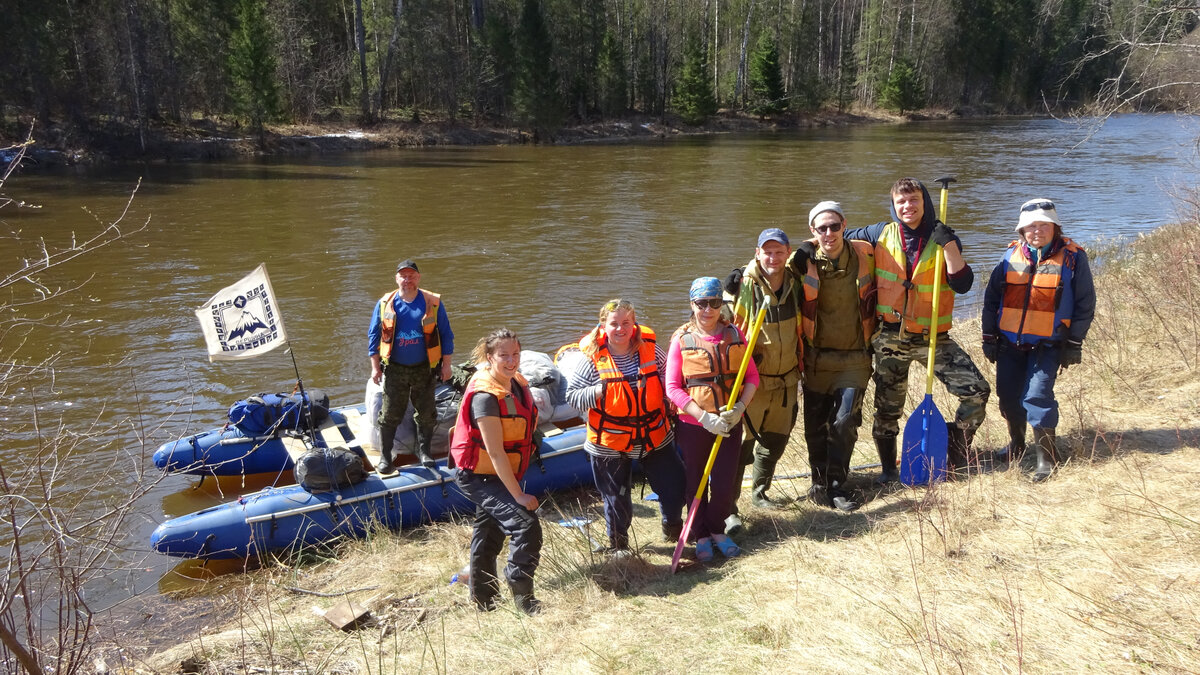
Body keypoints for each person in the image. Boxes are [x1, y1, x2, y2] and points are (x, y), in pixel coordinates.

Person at [841, 178, 991, 479]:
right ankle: (887, 470)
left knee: (977, 391)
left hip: (934, 337)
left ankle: (954, 448)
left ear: (924, 202)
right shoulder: (879, 233)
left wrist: (948, 245)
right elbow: (834, 239)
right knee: (887, 409)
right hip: (891, 337)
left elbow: (963, 285)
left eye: (914, 200)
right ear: (894, 205)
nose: (907, 207)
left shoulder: (944, 235)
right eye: (901, 202)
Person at [982, 199, 1095, 482]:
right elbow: (991, 299)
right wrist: (989, 337)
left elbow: (1084, 303)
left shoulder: (1073, 257)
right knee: (1008, 398)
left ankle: (1047, 458)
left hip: (1048, 345)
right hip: (1009, 343)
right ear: (1022, 230)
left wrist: (1074, 343)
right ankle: (1017, 445)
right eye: (1031, 226)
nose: (1037, 231)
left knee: (1037, 396)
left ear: (1055, 227)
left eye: (1044, 225)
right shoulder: (1010, 255)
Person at [565, 299, 686, 553]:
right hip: (610, 442)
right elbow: (572, 396)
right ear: (603, 326)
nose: (620, 329)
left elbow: (668, 376)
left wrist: (672, 398)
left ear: (634, 324)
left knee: (674, 486)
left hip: (654, 433)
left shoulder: (650, 350)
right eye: (614, 324)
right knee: (616, 500)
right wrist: (600, 390)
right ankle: (619, 546)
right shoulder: (591, 359)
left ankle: (673, 530)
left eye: (626, 323)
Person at [789, 202, 877, 510]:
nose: (829, 233)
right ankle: (818, 481)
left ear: (845, 226)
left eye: (834, 226)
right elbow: (764, 268)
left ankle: (838, 485)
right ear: (813, 230)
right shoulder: (801, 261)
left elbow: (906, 234)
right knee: (815, 425)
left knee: (843, 422)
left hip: (855, 358)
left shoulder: (867, 253)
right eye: (821, 228)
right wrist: (737, 276)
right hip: (816, 359)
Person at [449, 328, 543, 614]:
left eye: (515, 354)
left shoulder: (515, 383)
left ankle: (483, 599)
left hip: (499, 472)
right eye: (504, 355)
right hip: (478, 474)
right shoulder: (485, 397)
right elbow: (495, 452)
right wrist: (518, 495)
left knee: (488, 533)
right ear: (490, 358)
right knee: (526, 526)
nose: (511, 361)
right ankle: (523, 596)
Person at [665, 277, 759, 562]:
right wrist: (703, 416)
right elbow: (672, 387)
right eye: (701, 303)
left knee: (724, 480)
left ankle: (718, 529)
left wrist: (740, 408)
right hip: (694, 426)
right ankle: (700, 534)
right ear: (692, 304)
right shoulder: (681, 339)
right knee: (695, 480)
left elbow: (752, 377)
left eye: (714, 303)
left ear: (722, 304)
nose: (708, 309)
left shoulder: (736, 335)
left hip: (730, 422)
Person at [723, 228, 803, 532]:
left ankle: (759, 493)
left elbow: (817, 243)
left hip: (786, 379)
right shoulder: (743, 284)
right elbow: (717, 316)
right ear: (757, 253)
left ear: (787, 253)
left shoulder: (794, 278)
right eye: (767, 251)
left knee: (776, 440)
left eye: (779, 251)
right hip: (754, 381)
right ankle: (729, 508)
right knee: (741, 446)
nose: (773, 257)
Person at [367, 259, 454, 472]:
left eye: (412, 276)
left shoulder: (432, 302)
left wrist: (447, 365)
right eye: (403, 276)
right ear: (396, 278)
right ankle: (386, 458)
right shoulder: (385, 303)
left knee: (426, 413)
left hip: (424, 368)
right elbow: (373, 336)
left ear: (418, 278)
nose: (407, 280)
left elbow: (446, 334)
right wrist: (375, 367)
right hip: (395, 368)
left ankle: (424, 452)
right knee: (389, 415)